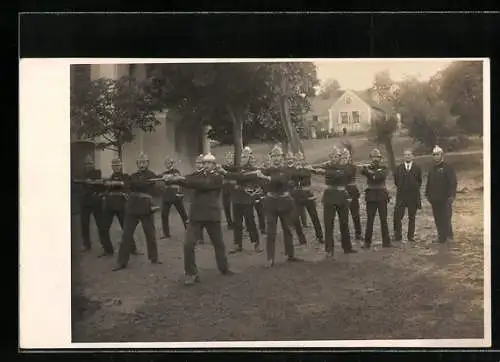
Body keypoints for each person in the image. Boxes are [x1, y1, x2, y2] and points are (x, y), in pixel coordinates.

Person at [165, 153, 233, 285]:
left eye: (208, 163)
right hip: (196, 216)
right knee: (188, 244)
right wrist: (171, 178)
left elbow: (202, 184)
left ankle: (224, 269)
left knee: (218, 244)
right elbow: (187, 179)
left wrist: (178, 179)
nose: (205, 165)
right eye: (204, 163)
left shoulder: (217, 177)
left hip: (211, 215)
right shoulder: (196, 176)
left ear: (214, 165)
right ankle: (191, 273)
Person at [113, 152, 161, 271]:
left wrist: (135, 184)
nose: (142, 165)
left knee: (150, 234)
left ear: (148, 163)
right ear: (137, 164)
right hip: (132, 208)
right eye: (140, 162)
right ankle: (122, 262)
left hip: (146, 208)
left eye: (144, 162)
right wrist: (136, 184)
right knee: (126, 235)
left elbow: (147, 185)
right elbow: (128, 185)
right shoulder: (133, 175)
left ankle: (154, 258)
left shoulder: (152, 175)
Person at [261, 145, 302, 267]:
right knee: (270, 232)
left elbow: (283, 180)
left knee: (288, 230)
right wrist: (267, 179)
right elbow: (262, 183)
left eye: (278, 156)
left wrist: (269, 179)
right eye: (274, 156)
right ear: (271, 157)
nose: (276, 158)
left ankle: (291, 255)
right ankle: (270, 258)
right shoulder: (266, 170)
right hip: (271, 203)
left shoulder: (286, 170)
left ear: (281, 157)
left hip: (284, 202)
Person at [311, 147, 355, 258]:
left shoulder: (344, 167)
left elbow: (344, 174)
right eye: (332, 156)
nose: (334, 158)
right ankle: (329, 249)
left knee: (344, 223)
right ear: (330, 157)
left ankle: (347, 247)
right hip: (329, 197)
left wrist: (326, 171)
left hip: (342, 197)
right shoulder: (328, 166)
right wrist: (325, 169)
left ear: (339, 157)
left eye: (337, 156)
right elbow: (313, 168)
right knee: (328, 224)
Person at [100, 157, 140, 257]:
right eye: (114, 165)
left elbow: (127, 185)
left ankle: (133, 249)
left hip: (121, 205)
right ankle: (108, 250)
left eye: (117, 165)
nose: (116, 167)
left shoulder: (125, 176)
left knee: (126, 228)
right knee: (103, 227)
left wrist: (115, 184)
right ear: (112, 167)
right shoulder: (110, 177)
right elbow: (105, 189)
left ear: (121, 165)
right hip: (110, 205)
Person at [225, 147, 262, 253]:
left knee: (250, 221)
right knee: (237, 222)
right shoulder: (238, 168)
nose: (242, 158)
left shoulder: (253, 169)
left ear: (250, 157)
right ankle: (237, 244)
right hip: (236, 199)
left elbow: (241, 177)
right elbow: (235, 177)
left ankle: (256, 243)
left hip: (247, 199)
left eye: (245, 156)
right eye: (241, 157)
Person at [73, 155, 107, 253]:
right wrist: (85, 181)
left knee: (100, 223)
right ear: (84, 165)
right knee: (84, 224)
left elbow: (97, 182)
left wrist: (89, 182)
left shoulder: (97, 172)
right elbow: (75, 180)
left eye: (90, 163)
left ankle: (104, 243)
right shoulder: (81, 174)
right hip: (85, 203)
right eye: (86, 164)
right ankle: (86, 244)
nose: (88, 165)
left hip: (96, 202)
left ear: (93, 164)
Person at [360, 148, 392, 249]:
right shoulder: (368, 167)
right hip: (371, 197)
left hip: (382, 196)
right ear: (371, 157)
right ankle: (367, 242)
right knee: (370, 220)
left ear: (380, 158)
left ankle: (386, 242)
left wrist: (370, 172)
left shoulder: (384, 167)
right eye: (373, 157)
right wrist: (370, 171)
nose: (375, 159)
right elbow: (362, 171)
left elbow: (379, 176)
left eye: (377, 157)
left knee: (384, 220)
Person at [425, 145, 457, 243]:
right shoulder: (432, 169)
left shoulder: (448, 168)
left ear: (442, 155)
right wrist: (427, 194)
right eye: (434, 155)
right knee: (437, 218)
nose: (436, 156)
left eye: (437, 154)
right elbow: (429, 183)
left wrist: (451, 195)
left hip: (445, 198)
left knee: (446, 217)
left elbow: (453, 182)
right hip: (434, 199)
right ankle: (441, 237)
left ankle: (449, 236)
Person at [292, 152, 324, 244]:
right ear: (294, 160)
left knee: (314, 216)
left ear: (303, 160)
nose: (298, 161)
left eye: (300, 159)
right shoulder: (292, 170)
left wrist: (301, 169)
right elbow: (292, 176)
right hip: (297, 196)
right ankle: (301, 239)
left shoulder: (307, 168)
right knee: (295, 218)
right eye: (296, 159)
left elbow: (306, 175)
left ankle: (320, 236)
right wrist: (297, 170)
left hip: (308, 195)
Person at [393, 149, 423, 243]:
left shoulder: (417, 168)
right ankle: (398, 236)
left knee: (412, 217)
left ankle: (411, 236)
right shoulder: (399, 168)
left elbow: (419, 181)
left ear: (412, 156)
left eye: (409, 155)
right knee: (398, 216)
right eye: (405, 155)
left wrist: (413, 187)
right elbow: (396, 181)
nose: (407, 156)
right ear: (404, 157)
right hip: (401, 196)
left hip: (413, 197)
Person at [159, 156, 189, 239]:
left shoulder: (176, 172)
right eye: (166, 163)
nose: (167, 164)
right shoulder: (164, 173)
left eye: (169, 163)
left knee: (183, 213)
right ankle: (166, 233)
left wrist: (168, 177)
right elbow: (159, 178)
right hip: (167, 195)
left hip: (175, 195)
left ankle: (189, 230)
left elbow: (177, 179)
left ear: (172, 164)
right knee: (164, 215)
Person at [283, 152, 308, 245]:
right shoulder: (283, 169)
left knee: (296, 216)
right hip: (286, 193)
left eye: (291, 159)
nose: (289, 160)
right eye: (288, 159)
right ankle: (289, 239)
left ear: (293, 159)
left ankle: (301, 238)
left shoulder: (296, 168)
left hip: (296, 193)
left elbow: (303, 178)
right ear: (285, 160)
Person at [342, 148, 362, 241]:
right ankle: (345, 235)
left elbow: (348, 174)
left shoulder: (352, 167)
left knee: (355, 214)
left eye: (346, 155)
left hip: (352, 191)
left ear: (349, 157)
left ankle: (358, 234)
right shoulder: (338, 166)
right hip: (341, 192)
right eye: (343, 155)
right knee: (343, 216)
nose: (345, 157)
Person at [221, 151, 236, 230]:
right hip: (226, 189)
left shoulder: (235, 168)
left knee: (235, 206)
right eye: (227, 158)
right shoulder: (223, 167)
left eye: (230, 158)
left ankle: (235, 222)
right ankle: (229, 223)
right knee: (226, 206)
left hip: (233, 189)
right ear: (225, 159)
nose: (229, 159)